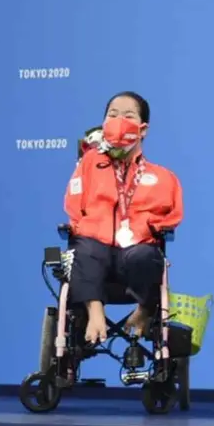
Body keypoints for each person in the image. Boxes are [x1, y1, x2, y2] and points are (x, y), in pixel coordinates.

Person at [64, 91, 184, 344]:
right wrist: (84, 226)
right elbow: (73, 205)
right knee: (83, 248)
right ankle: (95, 312)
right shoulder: (88, 164)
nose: (119, 120)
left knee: (144, 256)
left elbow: (173, 215)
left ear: (143, 129)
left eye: (128, 116)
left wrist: (147, 228)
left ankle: (144, 311)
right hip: (95, 247)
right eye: (112, 115)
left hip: (135, 250)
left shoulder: (163, 177)